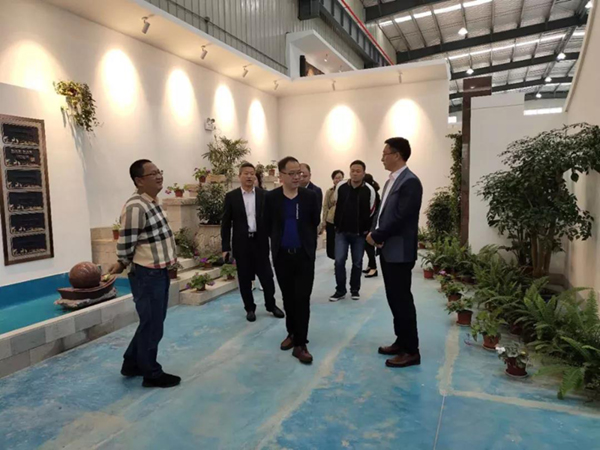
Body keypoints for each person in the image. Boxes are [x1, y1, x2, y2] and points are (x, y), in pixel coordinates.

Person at [109, 159, 181, 388]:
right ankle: (151, 373)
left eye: (159, 171)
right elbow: (126, 241)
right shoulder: (136, 206)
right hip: (147, 274)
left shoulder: (152, 202)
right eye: (153, 174)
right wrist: (121, 262)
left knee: (151, 321)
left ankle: (131, 363)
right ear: (139, 181)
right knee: (152, 323)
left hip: (158, 272)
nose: (159, 176)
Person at [367, 137, 423, 368]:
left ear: (397, 155)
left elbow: (402, 217)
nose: (382, 158)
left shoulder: (410, 182)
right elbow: (382, 213)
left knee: (402, 300)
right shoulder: (392, 180)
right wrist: (375, 232)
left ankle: (411, 350)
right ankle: (401, 341)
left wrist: (378, 235)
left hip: (400, 251)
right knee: (394, 298)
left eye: (385, 154)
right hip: (388, 249)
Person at [265, 156, 320, 364]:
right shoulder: (271, 198)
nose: (297, 177)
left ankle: (301, 343)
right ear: (281, 175)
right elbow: (267, 224)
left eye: (299, 173)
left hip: (304, 256)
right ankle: (292, 333)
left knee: (302, 299)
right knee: (288, 299)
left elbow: (314, 221)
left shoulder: (310, 197)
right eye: (292, 173)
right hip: (282, 257)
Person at [221, 163, 284, 322]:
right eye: (246, 173)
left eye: (252, 173)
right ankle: (249, 308)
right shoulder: (231, 197)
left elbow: (272, 220)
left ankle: (271, 305)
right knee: (244, 279)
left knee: (267, 277)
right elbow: (226, 223)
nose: (249, 176)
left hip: (260, 242)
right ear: (239, 176)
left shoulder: (264, 195)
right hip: (242, 244)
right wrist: (225, 247)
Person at [329, 160, 376, 302]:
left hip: (359, 234)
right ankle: (340, 290)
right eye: (352, 171)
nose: (355, 173)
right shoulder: (341, 187)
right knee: (339, 261)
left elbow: (372, 212)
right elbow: (336, 203)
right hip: (341, 232)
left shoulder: (369, 190)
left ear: (363, 173)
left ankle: (355, 290)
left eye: (358, 171)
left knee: (357, 263)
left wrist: (367, 230)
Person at [320, 170, 345, 260]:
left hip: (343, 220)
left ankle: (340, 259)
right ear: (333, 180)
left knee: (341, 242)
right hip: (331, 219)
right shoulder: (329, 191)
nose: (338, 180)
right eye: (336, 178)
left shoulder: (346, 190)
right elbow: (325, 206)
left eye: (340, 178)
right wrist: (324, 221)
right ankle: (334, 258)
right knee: (331, 241)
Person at [362, 173, 381, 278]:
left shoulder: (372, 192)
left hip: (371, 223)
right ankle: (370, 265)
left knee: (369, 245)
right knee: (367, 245)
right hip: (369, 222)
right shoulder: (371, 191)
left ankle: (373, 268)